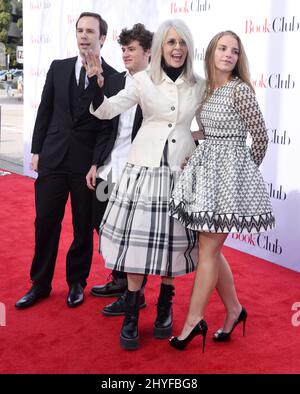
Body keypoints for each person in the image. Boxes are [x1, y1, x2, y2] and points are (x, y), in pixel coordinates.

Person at [88, 19, 205, 350]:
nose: (177, 48)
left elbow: (209, 125)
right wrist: (97, 85)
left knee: (172, 243)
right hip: (143, 168)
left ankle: (165, 307)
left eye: (182, 42)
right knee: (138, 246)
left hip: (179, 172)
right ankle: (131, 313)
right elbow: (107, 110)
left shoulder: (199, 84)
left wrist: (189, 139)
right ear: (161, 49)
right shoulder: (142, 80)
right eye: (171, 42)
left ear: (189, 46)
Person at [169, 30, 275, 352]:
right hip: (206, 175)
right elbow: (213, 130)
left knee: (208, 250)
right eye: (222, 48)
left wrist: (241, 175)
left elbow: (260, 138)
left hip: (228, 184)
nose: (228, 54)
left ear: (238, 57)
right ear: (212, 52)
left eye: (234, 50)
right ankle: (234, 310)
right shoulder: (206, 90)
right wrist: (198, 147)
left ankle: (192, 321)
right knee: (209, 250)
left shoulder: (239, 90)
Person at [15, 12, 117, 310]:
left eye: (90, 31)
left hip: (85, 165)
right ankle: (40, 283)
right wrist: (36, 150)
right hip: (53, 157)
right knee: (45, 221)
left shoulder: (112, 77)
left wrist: (97, 162)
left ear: (102, 38)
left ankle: (76, 282)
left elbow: (107, 126)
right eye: (80, 30)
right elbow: (44, 111)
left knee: (82, 226)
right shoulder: (58, 68)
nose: (84, 35)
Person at [86, 23, 153, 316]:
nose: (125, 54)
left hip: (139, 172)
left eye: (132, 49)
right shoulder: (113, 82)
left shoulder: (156, 86)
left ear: (148, 53)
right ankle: (119, 279)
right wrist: (95, 163)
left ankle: (133, 295)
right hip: (110, 168)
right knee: (102, 224)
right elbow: (104, 127)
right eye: (123, 49)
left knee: (132, 234)